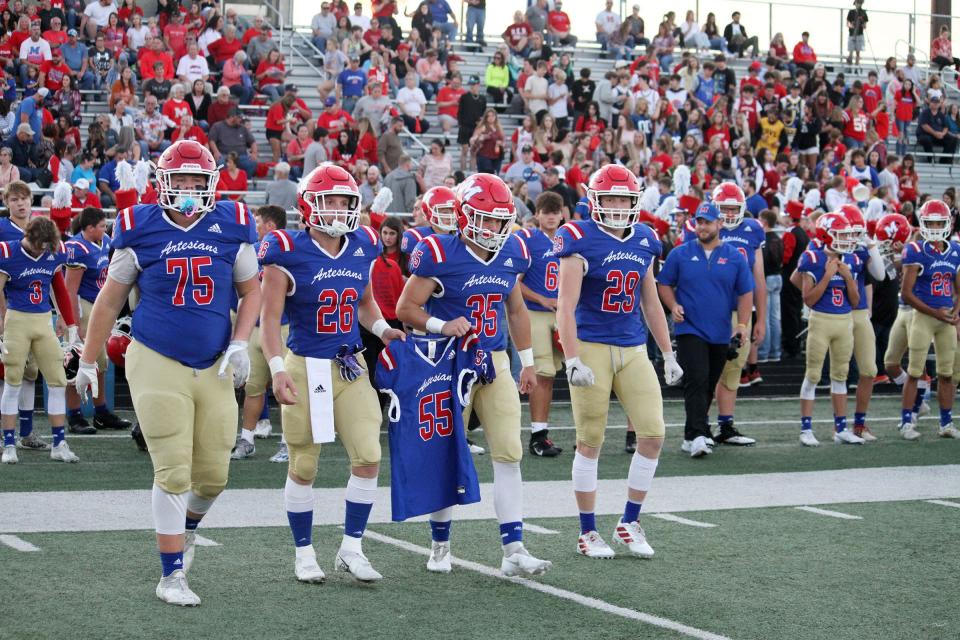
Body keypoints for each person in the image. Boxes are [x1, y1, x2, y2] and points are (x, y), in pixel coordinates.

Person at [74, 140, 262, 605]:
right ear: (162, 182)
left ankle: (188, 529)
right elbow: (110, 300)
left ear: (211, 183)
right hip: (155, 355)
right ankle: (170, 574)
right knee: (174, 470)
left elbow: (251, 291)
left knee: (214, 475)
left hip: (214, 361)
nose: (188, 188)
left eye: (196, 181)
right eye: (179, 180)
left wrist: (240, 342)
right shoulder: (139, 226)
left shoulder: (232, 225)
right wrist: (88, 357)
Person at [396, 172, 551, 576]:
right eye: (485, 218)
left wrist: (528, 361)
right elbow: (406, 308)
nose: (494, 228)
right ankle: (440, 543)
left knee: (509, 451)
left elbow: (515, 309)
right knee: (448, 452)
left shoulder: (513, 249)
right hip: (446, 361)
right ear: (464, 216)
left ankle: (513, 548)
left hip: (493, 357)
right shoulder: (438, 251)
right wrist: (441, 325)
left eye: (501, 220)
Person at [258, 164, 403, 584]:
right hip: (306, 367)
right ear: (308, 204)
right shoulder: (286, 249)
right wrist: (276, 367)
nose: (339, 210)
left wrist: (382, 330)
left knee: (369, 455)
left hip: (351, 363)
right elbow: (269, 320)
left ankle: (352, 547)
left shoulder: (362, 244)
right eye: (330, 201)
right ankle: (304, 552)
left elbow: (364, 303)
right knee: (304, 464)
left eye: (345, 202)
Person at [553, 164, 681, 557]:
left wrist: (668, 352)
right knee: (590, 441)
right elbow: (565, 306)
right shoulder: (577, 238)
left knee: (654, 433)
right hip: (591, 346)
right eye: (609, 197)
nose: (617, 204)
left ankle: (630, 522)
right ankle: (587, 531)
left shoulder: (644, 239)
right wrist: (571, 357)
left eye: (624, 198)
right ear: (594, 201)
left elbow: (651, 301)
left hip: (632, 347)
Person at [658, 202, 753, 457]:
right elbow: (664, 283)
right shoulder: (680, 253)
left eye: (707, 222)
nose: (702, 226)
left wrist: (742, 325)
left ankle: (691, 435)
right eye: (699, 221)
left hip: (721, 331)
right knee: (697, 379)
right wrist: (673, 304)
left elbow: (746, 293)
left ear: (719, 224)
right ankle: (700, 434)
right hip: (690, 328)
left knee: (709, 383)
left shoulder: (734, 256)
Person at [0, 216, 80, 465]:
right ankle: (10, 443)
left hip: (43, 320)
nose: (42, 250)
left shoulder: (54, 252)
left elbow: (59, 289)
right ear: (28, 237)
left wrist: (71, 325)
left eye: (47, 245)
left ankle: (58, 443)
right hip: (16, 321)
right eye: (39, 245)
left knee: (57, 381)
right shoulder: (8, 251)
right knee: (13, 382)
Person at [690, 183, 762, 444]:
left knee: (733, 368)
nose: (730, 214)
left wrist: (760, 317)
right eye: (725, 209)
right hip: (710, 310)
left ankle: (725, 425)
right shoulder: (701, 229)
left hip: (741, 311)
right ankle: (701, 426)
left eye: (734, 209)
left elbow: (759, 279)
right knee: (706, 370)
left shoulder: (752, 230)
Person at [790, 212, 864, 446]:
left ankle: (841, 428)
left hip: (844, 321)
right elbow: (809, 299)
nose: (845, 239)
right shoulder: (812, 257)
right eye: (840, 234)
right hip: (820, 320)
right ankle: (806, 428)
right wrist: (828, 276)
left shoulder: (851, 259)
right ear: (826, 235)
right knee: (812, 375)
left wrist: (848, 278)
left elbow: (854, 301)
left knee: (840, 375)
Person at [63, 206, 131, 434]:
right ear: (89, 228)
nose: (105, 229)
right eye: (101, 226)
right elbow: (69, 290)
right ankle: (74, 415)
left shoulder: (103, 242)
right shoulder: (77, 248)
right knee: (76, 361)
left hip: (100, 305)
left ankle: (101, 411)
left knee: (101, 362)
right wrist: (72, 321)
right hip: (83, 306)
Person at [230, 205, 290, 462]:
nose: (254, 226)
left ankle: (290, 442)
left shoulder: (290, 252)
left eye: (258, 222)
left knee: (288, 388)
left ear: (270, 226)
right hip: (255, 327)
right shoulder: (249, 251)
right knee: (253, 388)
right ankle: (247, 439)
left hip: (283, 327)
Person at [897, 200, 960, 441]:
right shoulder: (915, 250)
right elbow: (907, 293)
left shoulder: (955, 250)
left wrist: (955, 312)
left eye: (939, 222)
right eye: (930, 222)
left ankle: (946, 422)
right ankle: (906, 422)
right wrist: (937, 313)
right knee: (914, 372)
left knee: (946, 374)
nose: (934, 227)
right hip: (924, 316)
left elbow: (959, 289)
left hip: (945, 319)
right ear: (922, 223)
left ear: (948, 223)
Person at [516, 191, 563, 458]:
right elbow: (516, 282)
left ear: (562, 214)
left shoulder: (567, 240)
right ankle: (538, 435)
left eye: (555, 212)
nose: (550, 217)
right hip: (535, 313)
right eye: (546, 212)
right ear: (538, 214)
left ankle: (584, 434)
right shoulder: (529, 241)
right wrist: (542, 299)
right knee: (543, 373)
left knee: (565, 373)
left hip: (562, 315)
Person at [837, 205, 886, 440]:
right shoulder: (828, 249)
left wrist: (871, 244)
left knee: (869, 369)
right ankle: (837, 426)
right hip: (836, 313)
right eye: (851, 232)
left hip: (858, 313)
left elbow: (879, 274)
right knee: (839, 373)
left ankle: (859, 423)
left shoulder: (860, 250)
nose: (854, 238)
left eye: (858, 232)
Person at [917, 91, 957, 164]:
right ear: (930, 103)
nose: (935, 104)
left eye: (937, 102)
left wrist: (942, 133)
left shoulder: (940, 114)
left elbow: (946, 127)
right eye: (933, 102)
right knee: (926, 139)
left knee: (953, 139)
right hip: (925, 135)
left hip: (938, 135)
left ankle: (945, 161)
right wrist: (935, 133)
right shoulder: (925, 112)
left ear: (939, 104)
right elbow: (924, 125)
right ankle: (931, 159)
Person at [846, 0, 868, 69]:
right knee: (851, 50)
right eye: (857, 2)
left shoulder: (863, 12)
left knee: (858, 51)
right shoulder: (851, 12)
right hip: (852, 33)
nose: (858, 4)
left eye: (860, 3)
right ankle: (849, 65)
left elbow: (865, 25)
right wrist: (851, 25)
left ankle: (856, 65)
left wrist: (862, 24)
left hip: (859, 34)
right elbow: (848, 23)